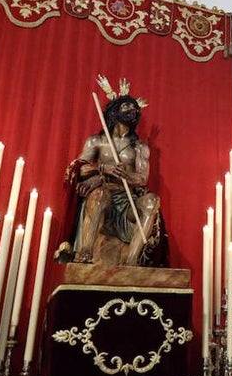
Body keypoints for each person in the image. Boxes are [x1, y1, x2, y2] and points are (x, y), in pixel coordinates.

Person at [56, 88, 163, 266]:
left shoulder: (139, 147)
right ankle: (85, 254)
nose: (132, 110)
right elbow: (79, 169)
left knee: (152, 201)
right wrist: (103, 170)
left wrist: (126, 176)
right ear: (114, 111)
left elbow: (142, 178)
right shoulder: (96, 141)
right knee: (100, 196)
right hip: (102, 196)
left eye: (135, 108)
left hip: (126, 200)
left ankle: (131, 261)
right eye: (126, 105)